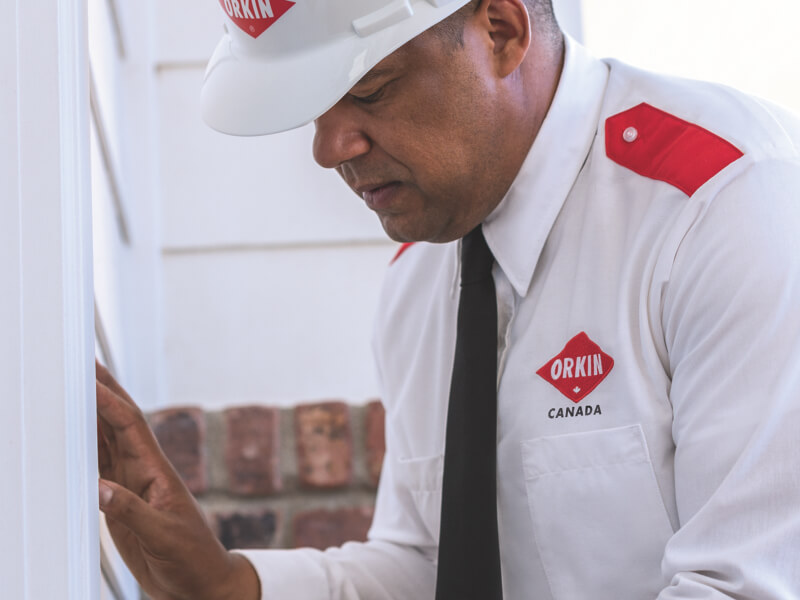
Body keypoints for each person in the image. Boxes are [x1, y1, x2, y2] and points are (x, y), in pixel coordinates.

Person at [96, 0, 800, 598]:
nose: (330, 146)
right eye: (310, 107)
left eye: (370, 89)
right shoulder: (418, 284)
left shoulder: (724, 205)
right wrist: (229, 585)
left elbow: (743, 585)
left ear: (500, 32)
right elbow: (432, 564)